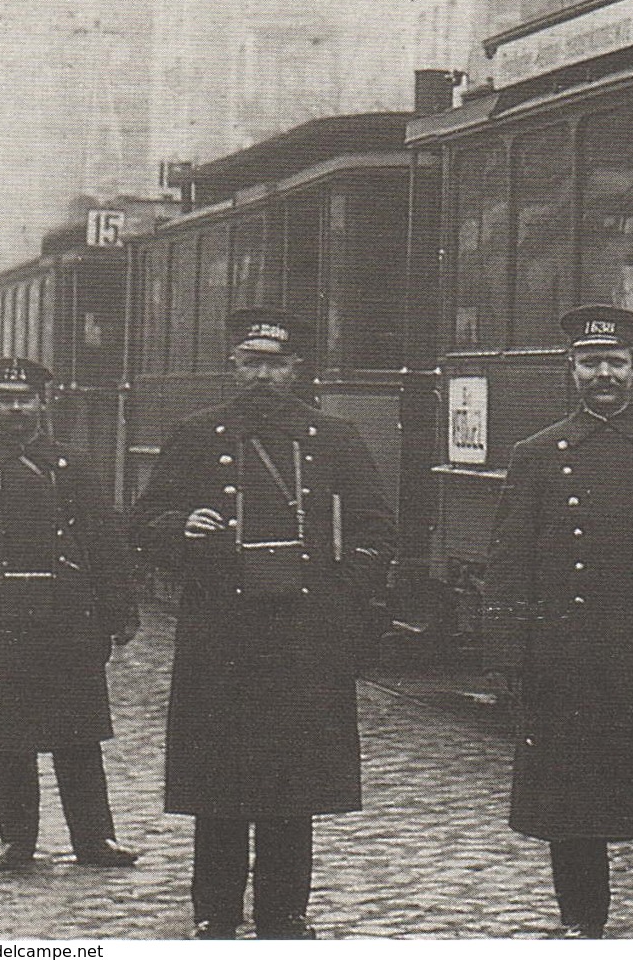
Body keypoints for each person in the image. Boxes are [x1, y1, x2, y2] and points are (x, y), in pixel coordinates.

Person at [130, 309, 396, 939]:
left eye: (275, 363)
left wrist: (342, 606)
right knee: (219, 784)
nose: (263, 375)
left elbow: (378, 531)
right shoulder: (196, 436)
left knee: (292, 787)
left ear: (296, 369)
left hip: (304, 641)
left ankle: (285, 913)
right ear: (234, 365)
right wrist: (179, 528)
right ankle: (215, 914)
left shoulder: (334, 438)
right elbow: (141, 526)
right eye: (251, 361)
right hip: (221, 638)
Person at [483, 304, 633, 939]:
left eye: (615, 362)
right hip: (567, 664)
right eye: (590, 362)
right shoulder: (537, 455)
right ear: (570, 369)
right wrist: (508, 655)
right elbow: (509, 564)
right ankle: (581, 929)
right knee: (573, 814)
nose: (604, 374)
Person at [0, 358, 139, 872]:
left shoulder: (73, 467)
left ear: (42, 403)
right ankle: (17, 841)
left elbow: (104, 542)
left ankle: (96, 839)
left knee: (78, 734)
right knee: (7, 737)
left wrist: (119, 610)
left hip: (67, 618)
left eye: (24, 398)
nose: (16, 409)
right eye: (6, 399)